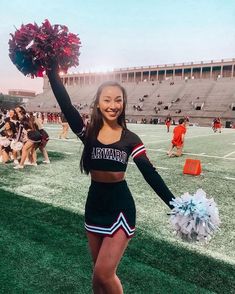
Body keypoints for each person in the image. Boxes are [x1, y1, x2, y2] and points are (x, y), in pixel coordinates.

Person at [47, 64, 175, 294]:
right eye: (107, 100)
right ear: (97, 103)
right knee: (97, 275)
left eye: (118, 100)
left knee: (104, 273)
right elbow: (66, 105)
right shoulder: (88, 133)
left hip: (120, 207)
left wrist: (174, 204)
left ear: (123, 104)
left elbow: (149, 173)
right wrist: (51, 72)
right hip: (95, 204)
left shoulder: (130, 139)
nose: (113, 105)